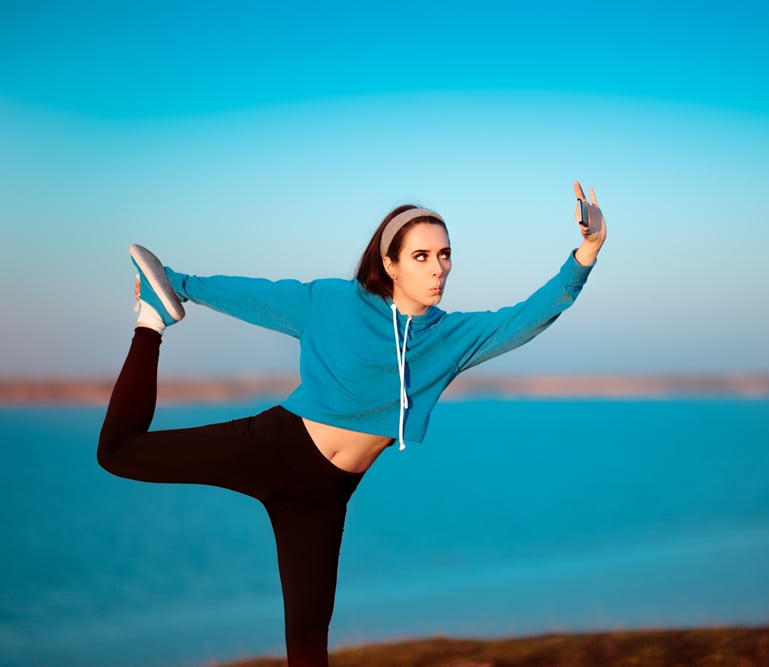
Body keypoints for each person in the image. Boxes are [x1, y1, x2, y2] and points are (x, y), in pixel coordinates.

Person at [97, 182, 607, 666]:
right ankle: (151, 321)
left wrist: (587, 251)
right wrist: (179, 286)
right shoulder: (333, 302)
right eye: (422, 256)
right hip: (273, 447)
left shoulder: (448, 339)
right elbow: (255, 296)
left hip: (324, 496)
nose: (438, 269)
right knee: (117, 453)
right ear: (390, 263)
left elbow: (528, 317)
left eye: (445, 255)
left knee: (307, 634)